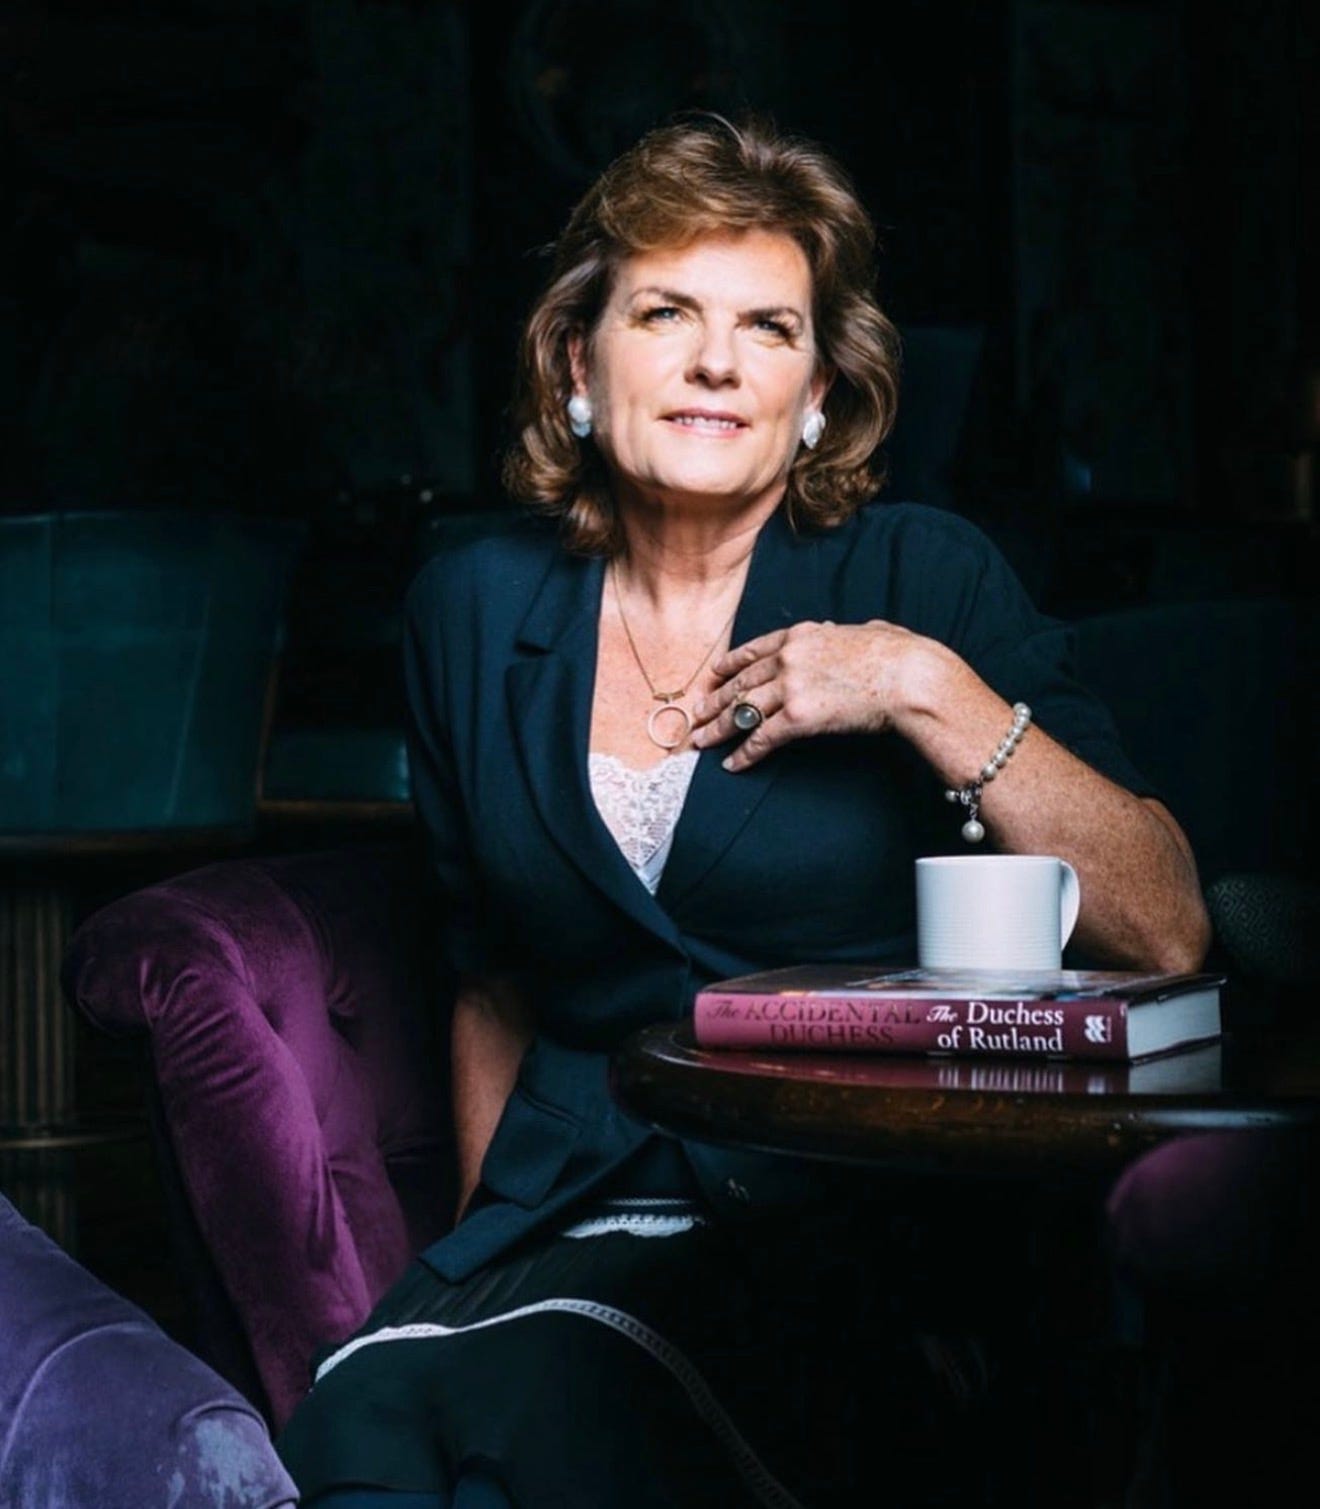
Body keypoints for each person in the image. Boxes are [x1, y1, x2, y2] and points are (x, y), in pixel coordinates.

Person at [275, 113, 1210, 1508]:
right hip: (561, 1220)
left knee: (562, 1433)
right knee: (378, 1432)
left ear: (817, 391)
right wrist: (487, 1254)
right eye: (666, 312)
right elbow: (492, 984)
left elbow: (1167, 924)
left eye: (769, 327)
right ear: (578, 360)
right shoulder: (467, 605)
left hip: (853, 1244)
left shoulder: (927, 577)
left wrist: (916, 686)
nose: (717, 361)